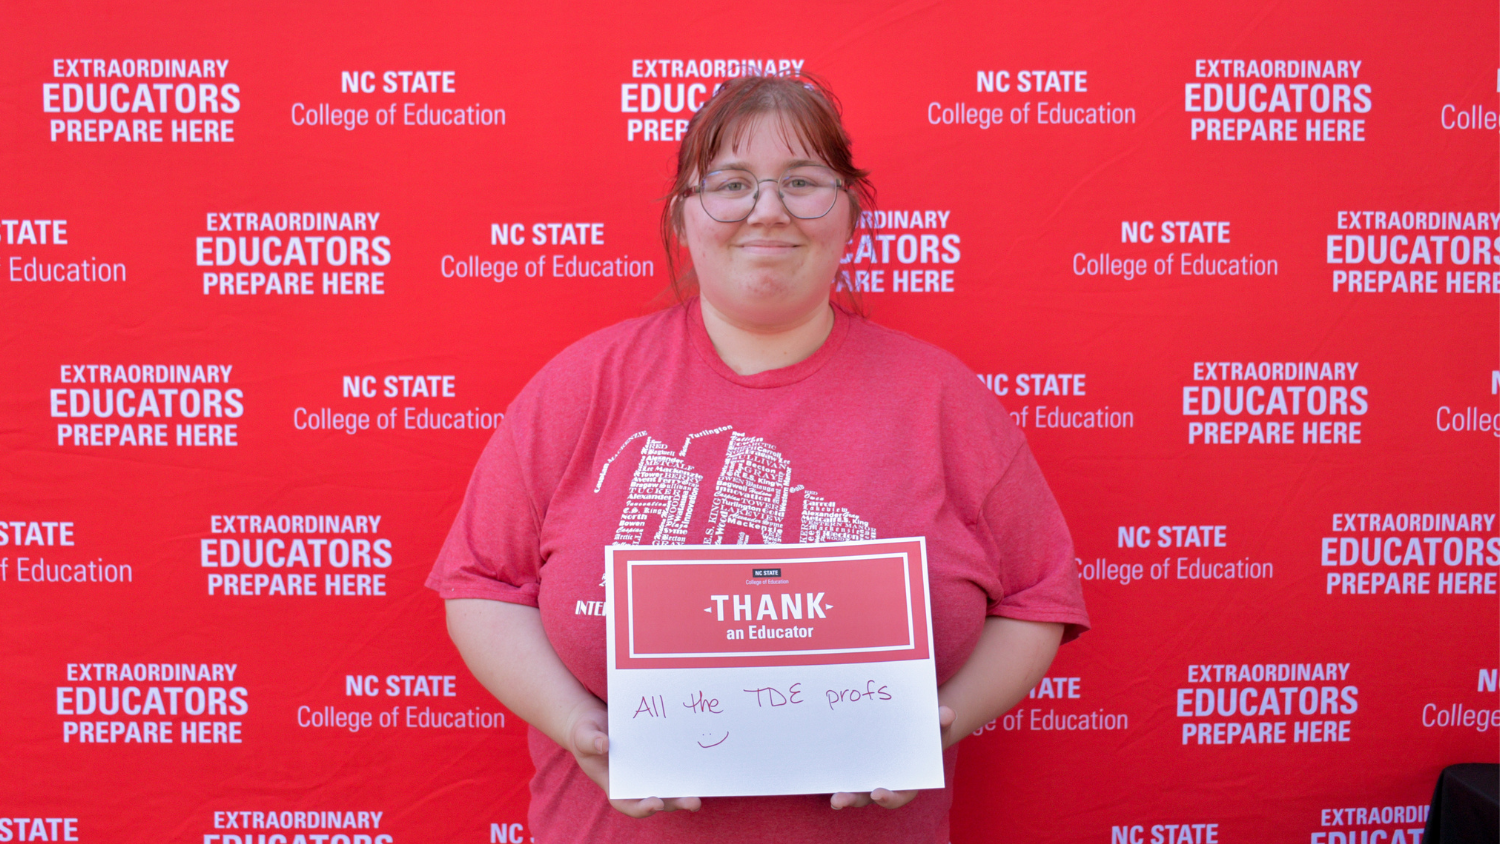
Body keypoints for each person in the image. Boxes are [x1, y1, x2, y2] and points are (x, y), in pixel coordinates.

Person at [427, 74, 1089, 844]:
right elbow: (480, 585)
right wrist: (578, 725)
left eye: (803, 183)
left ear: (849, 216)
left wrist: (936, 729)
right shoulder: (581, 386)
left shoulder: (944, 399)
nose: (767, 210)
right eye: (731, 184)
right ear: (683, 217)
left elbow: (1039, 599)